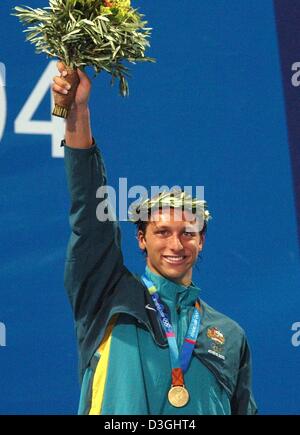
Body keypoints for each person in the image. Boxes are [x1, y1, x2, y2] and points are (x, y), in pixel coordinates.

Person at [53, 61, 257, 415]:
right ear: (141, 239)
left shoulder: (229, 334)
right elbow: (88, 209)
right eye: (162, 232)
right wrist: (78, 110)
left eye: (187, 234)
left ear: (202, 241)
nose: (176, 245)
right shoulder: (106, 297)